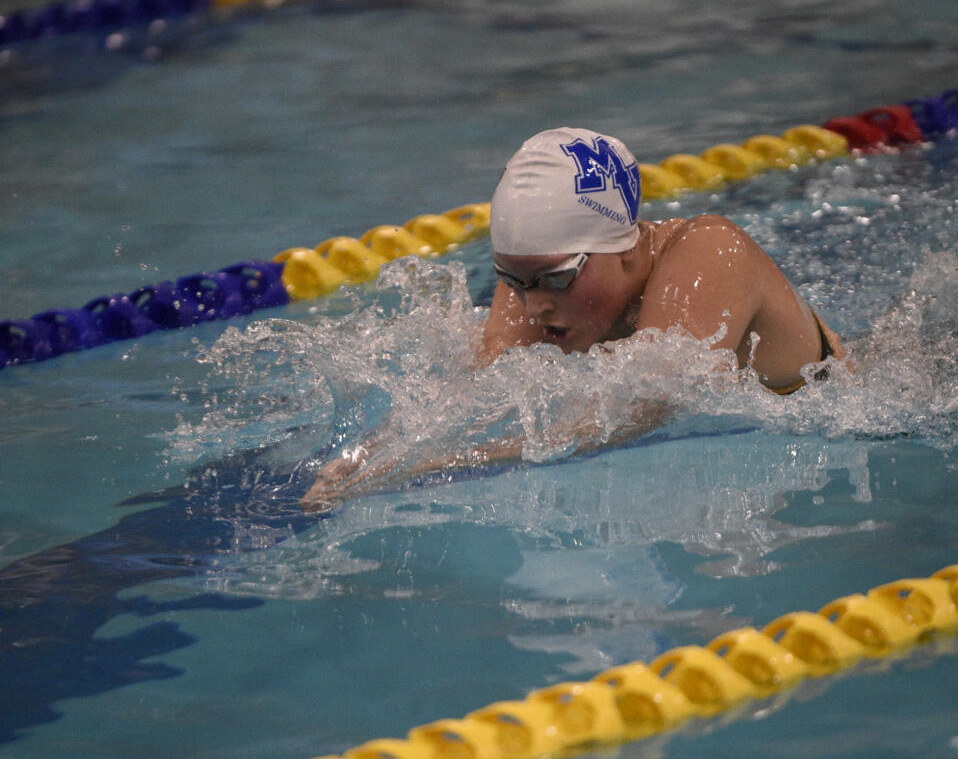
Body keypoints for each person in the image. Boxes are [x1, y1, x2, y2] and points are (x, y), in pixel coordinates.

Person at [301, 127, 846, 506]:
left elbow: (645, 403)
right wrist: (372, 454)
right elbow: (481, 387)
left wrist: (441, 463)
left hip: (836, 431)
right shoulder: (533, 281)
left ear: (627, 248)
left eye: (557, 279)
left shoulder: (711, 253)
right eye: (512, 281)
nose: (533, 305)